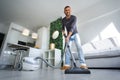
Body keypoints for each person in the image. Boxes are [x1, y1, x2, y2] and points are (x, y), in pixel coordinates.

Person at [61, 6, 88, 70]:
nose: (67, 11)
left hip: (75, 34)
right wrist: (64, 34)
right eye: (66, 10)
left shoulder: (74, 17)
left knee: (79, 47)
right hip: (68, 36)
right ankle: (67, 65)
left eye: (68, 10)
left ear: (70, 10)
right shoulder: (63, 20)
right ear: (64, 11)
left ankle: (83, 64)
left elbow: (72, 27)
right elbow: (62, 28)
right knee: (67, 50)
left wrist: (67, 36)